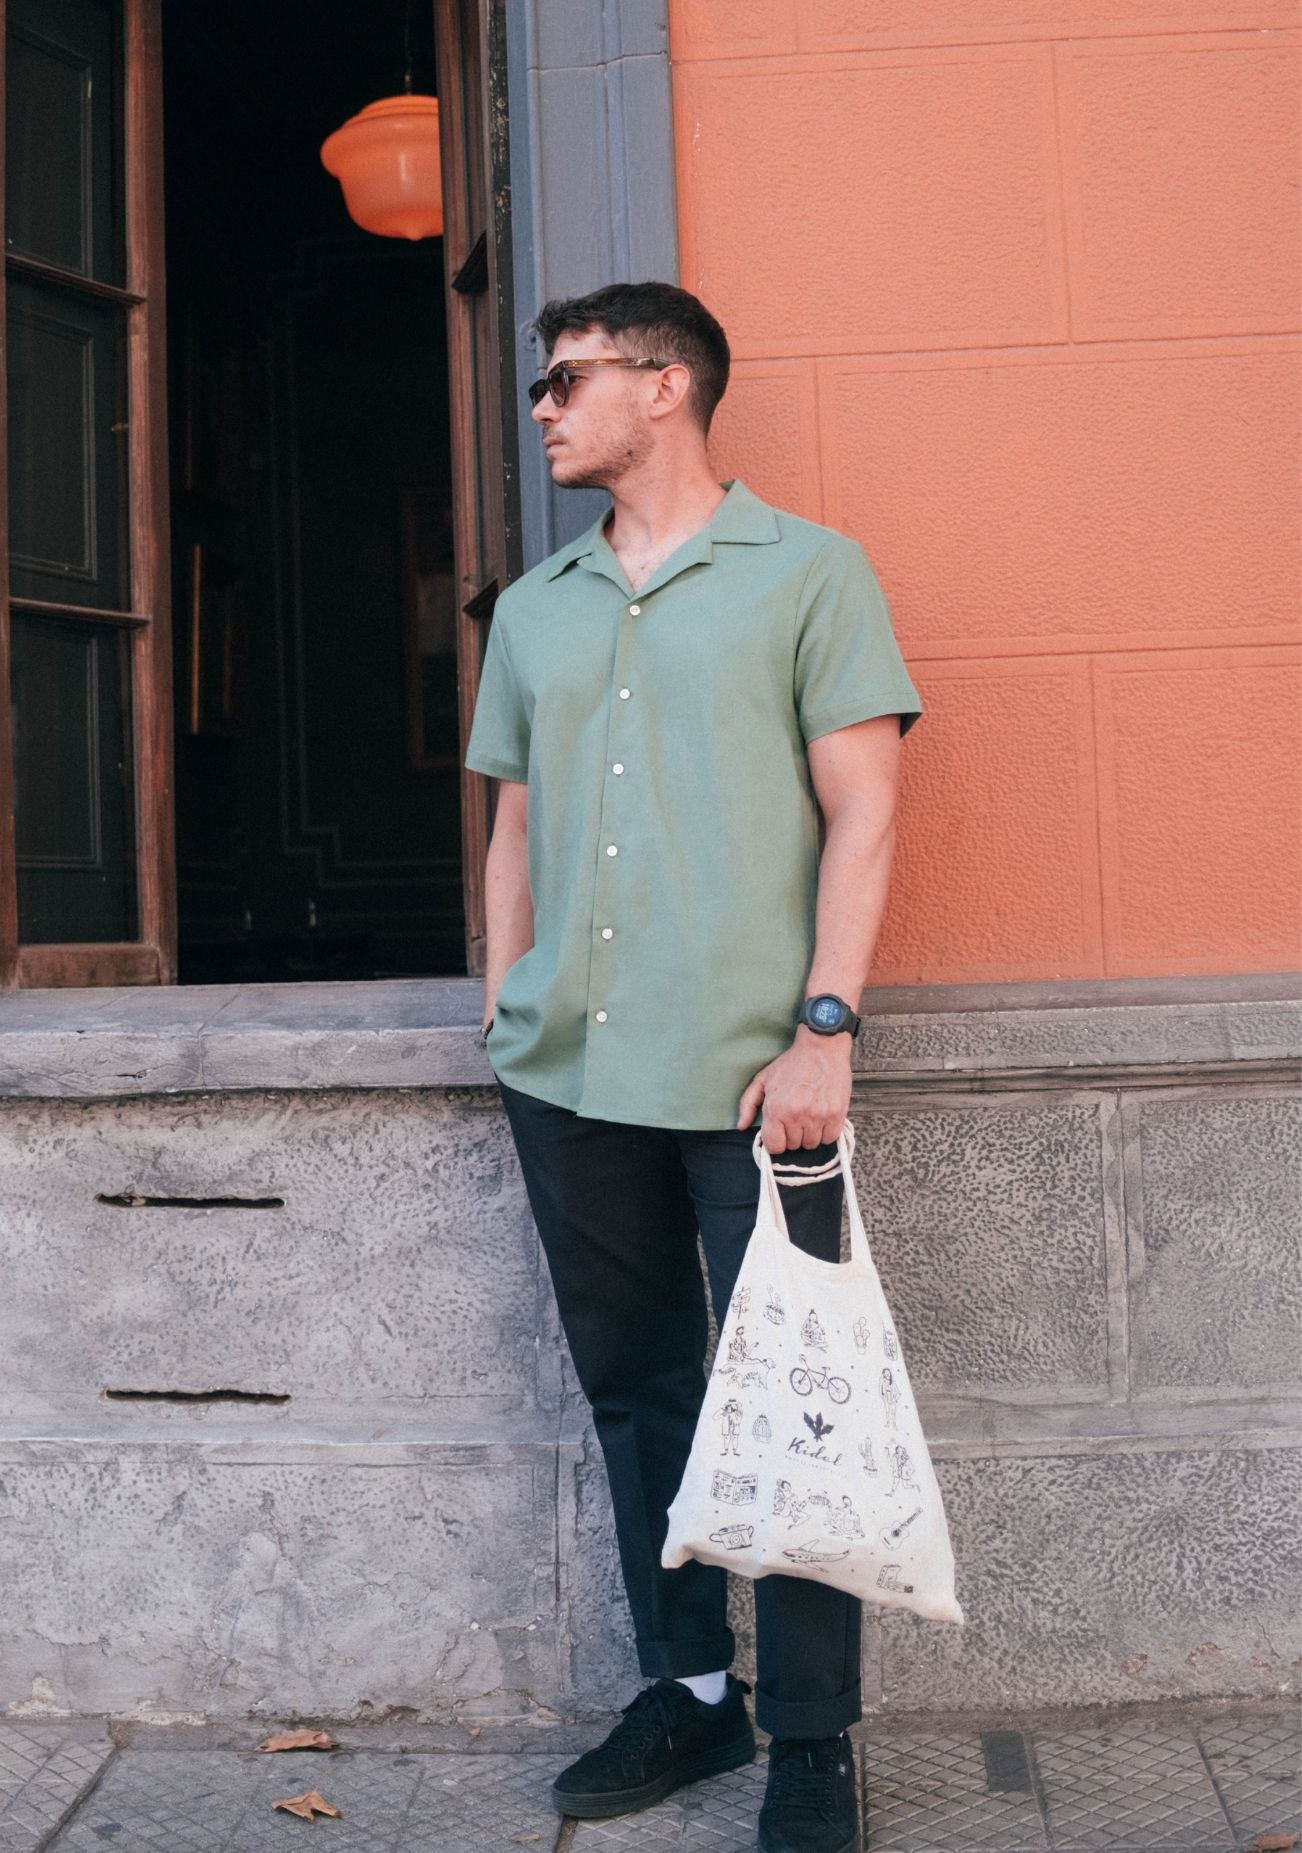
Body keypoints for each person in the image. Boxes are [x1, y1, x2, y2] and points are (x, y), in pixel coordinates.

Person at [464, 281, 922, 1853]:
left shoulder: (807, 571)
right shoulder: (537, 607)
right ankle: (690, 1689)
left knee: (791, 1401)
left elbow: (864, 806)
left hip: (755, 1079)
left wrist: (822, 1030)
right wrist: (503, 1003)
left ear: (663, 386)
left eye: (566, 379)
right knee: (637, 1387)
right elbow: (513, 822)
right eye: (542, 384)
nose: (541, 406)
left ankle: (812, 1739)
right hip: (569, 1073)